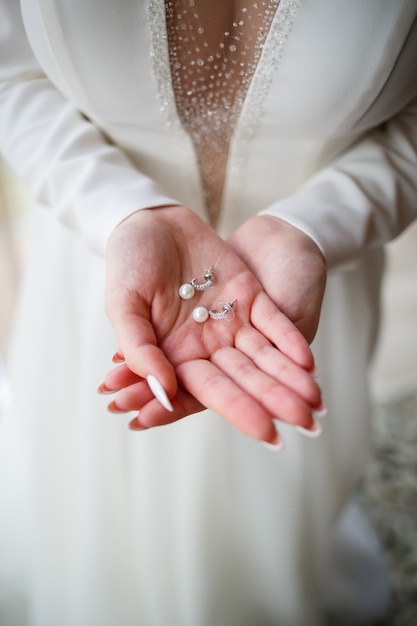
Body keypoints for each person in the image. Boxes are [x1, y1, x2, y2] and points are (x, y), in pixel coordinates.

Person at [0, 1, 416, 624]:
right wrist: (120, 209)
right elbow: (10, 77)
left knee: (274, 523)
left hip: (294, 290)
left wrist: (315, 224)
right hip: (111, 269)